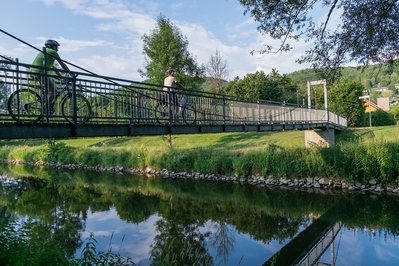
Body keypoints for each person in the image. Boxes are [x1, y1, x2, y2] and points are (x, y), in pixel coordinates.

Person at [29, 39, 70, 109]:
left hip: (33, 72)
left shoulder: (45, 52)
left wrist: (60, 77)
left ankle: (45, 97)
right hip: (40, 72)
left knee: (52, 81)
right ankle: (45, 107)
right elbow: (62, 64)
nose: (57, 49)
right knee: (55, 91)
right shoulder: (52, 52)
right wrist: (71, 74)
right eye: (56, 47)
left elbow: (53, 68)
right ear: (53, 46)